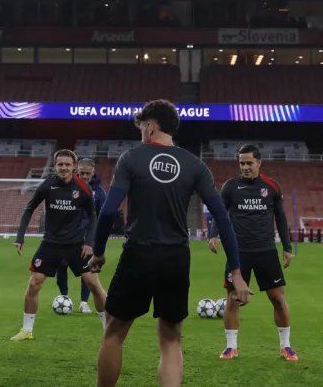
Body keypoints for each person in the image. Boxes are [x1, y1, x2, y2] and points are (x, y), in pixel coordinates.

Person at [90, 100, 251, 387]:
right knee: (171, 339)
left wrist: (99, 253)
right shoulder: (195, 165)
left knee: (114, 332)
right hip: (176, 257)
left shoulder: (131, 158)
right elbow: (223, 221)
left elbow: (107, 212)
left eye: (142, 127)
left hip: (138, 253)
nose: (141, 132)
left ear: (150, 127)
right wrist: (236, 273)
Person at [207, 144, 297, 362]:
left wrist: (287, 247)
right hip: (238, 252)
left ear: (259, 163)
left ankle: (286, 346)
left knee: (277, 297)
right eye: (241, 163)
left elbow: (281, 218)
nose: (245, 167)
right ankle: (231, 347)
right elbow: (220, 212)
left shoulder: (272, 187)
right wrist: (213, 235)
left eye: (249, 163)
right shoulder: (230, 187)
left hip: (266, 250)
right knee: (233, 298)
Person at [11, 150, 108, 339]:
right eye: (60, 164)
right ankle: (27, 330)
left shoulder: (83, 188)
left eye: (67, 164)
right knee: (34, 284)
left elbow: (93, 215)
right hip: (50, 243)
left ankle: (109, 329)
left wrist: (88, 243)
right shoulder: (47, 185)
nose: (63, 168)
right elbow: (29, 208)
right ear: (55, 166)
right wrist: (20, 236)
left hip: (76, 244)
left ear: (74, 166)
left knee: (94, 285)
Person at [55, 157, 107, 314]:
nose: (85, 176)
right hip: (66, 235)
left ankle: (84, 302)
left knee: (87, 268)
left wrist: (96, 239)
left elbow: (102, 215)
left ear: (93, 172)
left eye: (88, 174)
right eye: (82, 173)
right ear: (77, 171)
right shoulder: (68, 186)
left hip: (87, 238)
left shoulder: (100, 192)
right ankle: (64, 297)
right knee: (62, 266)